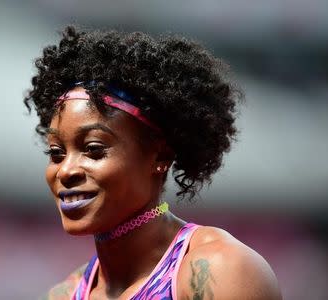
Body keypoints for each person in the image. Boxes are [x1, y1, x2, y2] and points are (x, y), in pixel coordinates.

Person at [25, 25, 282, 300]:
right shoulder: (64, 295)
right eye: (56, 153)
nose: (65, 170)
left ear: (160, 156)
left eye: (93, 149)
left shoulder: (222, 271)